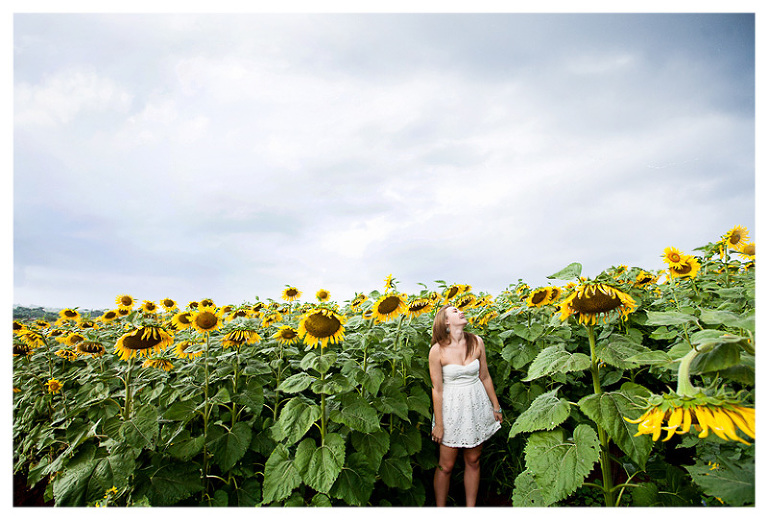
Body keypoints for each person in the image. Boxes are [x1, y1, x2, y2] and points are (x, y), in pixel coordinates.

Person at [429, 304, 502, 507]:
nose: (461, 311)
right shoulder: (437, 351)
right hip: (450, 409)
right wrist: (439, 424)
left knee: (473, 460)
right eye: (454, 311)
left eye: (460, 309)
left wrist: (496, 406)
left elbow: (485, 376)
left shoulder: (476, 342)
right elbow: (437, 389)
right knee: (446, 465)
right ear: (444, 321)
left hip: (476, 405)